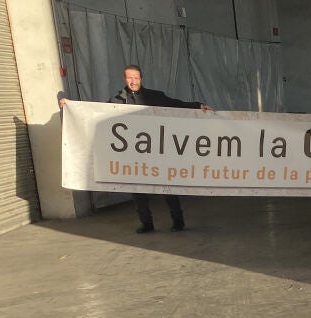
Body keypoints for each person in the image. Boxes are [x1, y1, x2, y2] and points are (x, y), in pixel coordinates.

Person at [60, 65, 214, 233]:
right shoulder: (117, 102)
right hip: (133, 154)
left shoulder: (155, 96)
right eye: (129, 78)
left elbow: (176, 104)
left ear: (141, 79)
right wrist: (71, 106)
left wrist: (198, 106)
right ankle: (146, 223)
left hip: (156, 150)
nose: (133, 81)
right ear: (125, 79)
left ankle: (178, 221)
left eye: (136, 78)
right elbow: (94, 111)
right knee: (137, 191)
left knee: (168, 187)